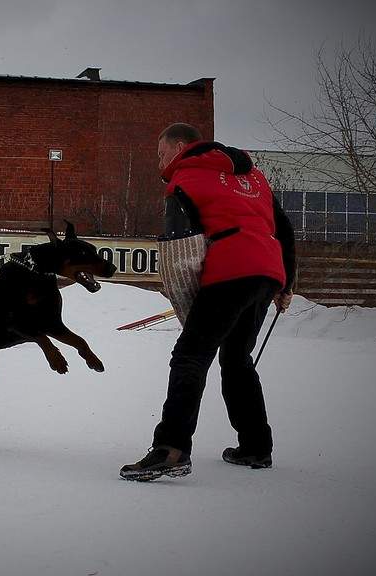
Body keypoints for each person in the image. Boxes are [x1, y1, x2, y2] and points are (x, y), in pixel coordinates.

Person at [120, 123, 296, 481]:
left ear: (181, 146)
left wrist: (189, 308)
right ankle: (256, 447)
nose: (159, 162)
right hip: (267, 270)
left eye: (160, 153)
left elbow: (179, 252)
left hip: (229, 270)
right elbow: (284, 227)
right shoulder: (255, 177)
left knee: (191, 355)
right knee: (237, 359)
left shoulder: (184, 180)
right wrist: (287, 282)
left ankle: (171, 449)